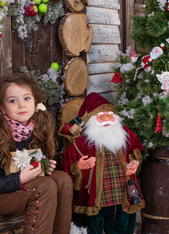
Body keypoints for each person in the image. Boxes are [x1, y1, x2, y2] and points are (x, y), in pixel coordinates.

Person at [0, 73, 73, 234]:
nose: (22, 105)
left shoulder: (38, 127)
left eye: (27, 98)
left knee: (62, 179)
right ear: (2, 107)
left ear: (35, 101)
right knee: (44, 186)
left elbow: (33, 163)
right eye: (13, 100)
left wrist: (43, 165)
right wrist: (21, 178)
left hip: (21, 190)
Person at [61, 93, 145, 234]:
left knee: (123, 229)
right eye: (101, 117)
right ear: (93, 119)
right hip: (94, 200)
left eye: (110, 115)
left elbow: (136, 149)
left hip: (122, 196)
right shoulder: (82, 143)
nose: (107, 120)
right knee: (92, 229)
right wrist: (78, 166)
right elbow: (66, 163)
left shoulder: (125, 134)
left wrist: (134, 162)